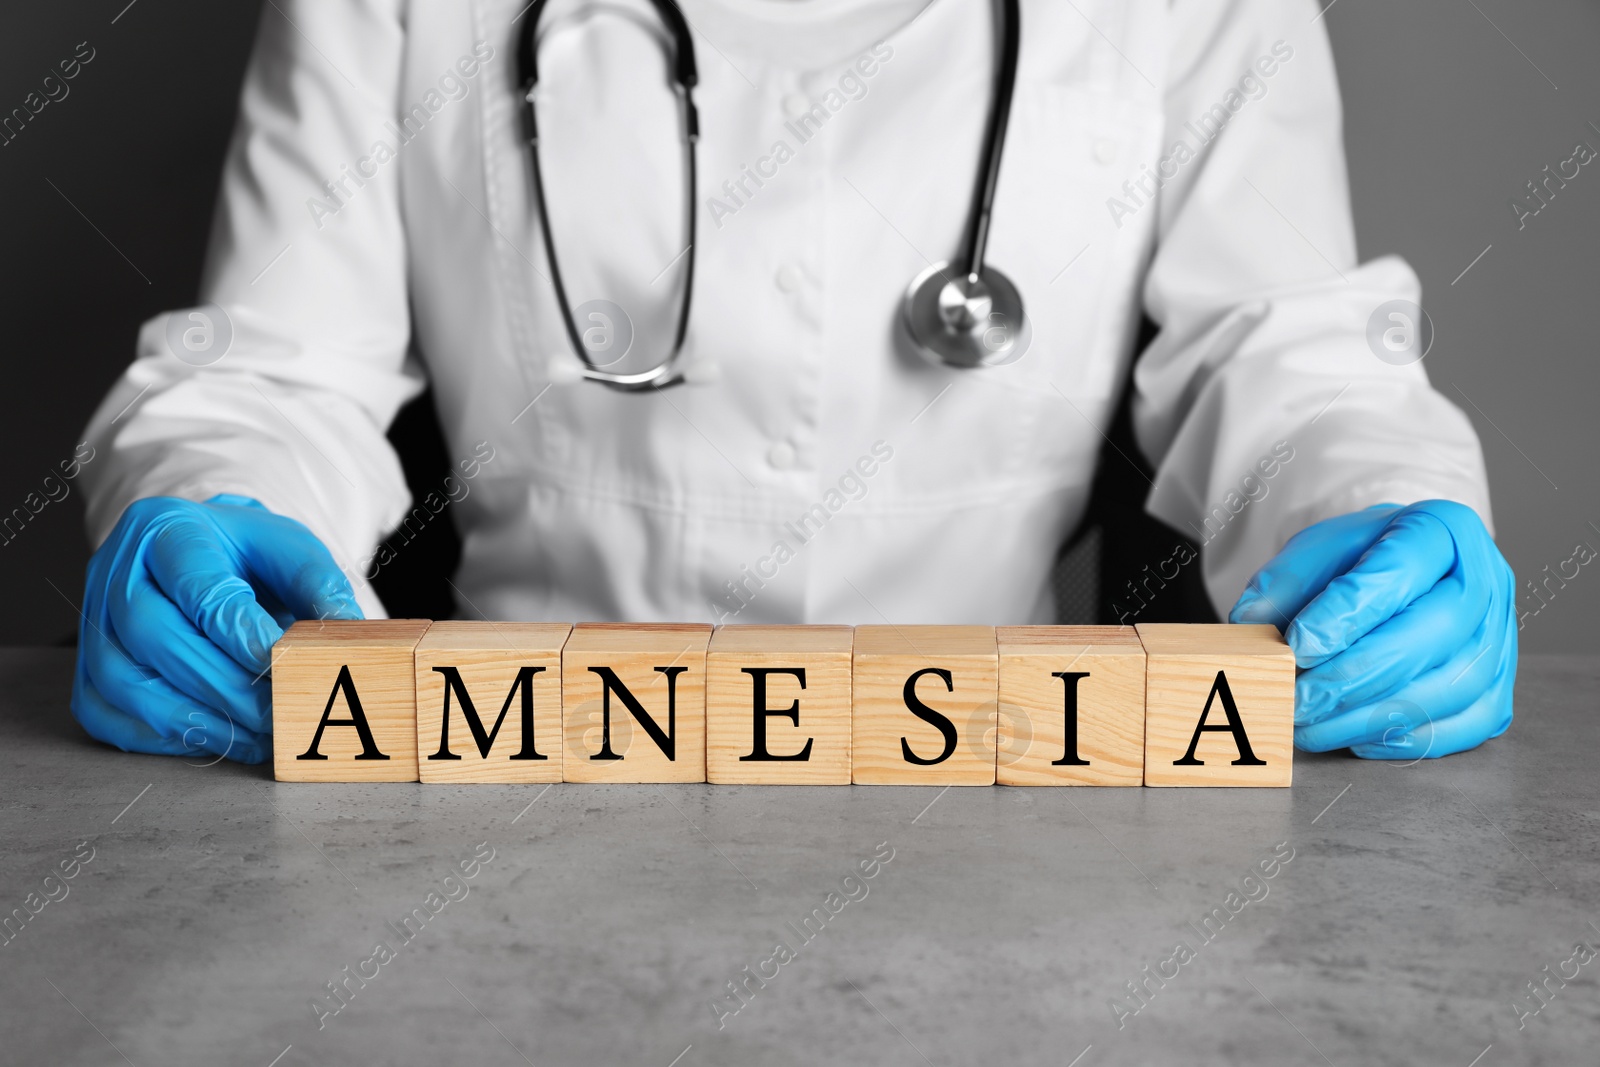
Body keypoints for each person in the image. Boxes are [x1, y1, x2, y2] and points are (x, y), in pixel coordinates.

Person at [71, 0, 1515, 765]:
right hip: (515, 778)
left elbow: (1283, 360)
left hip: (1011, 790)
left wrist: (1377, 502)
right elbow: (277, 371)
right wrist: (206, 497)